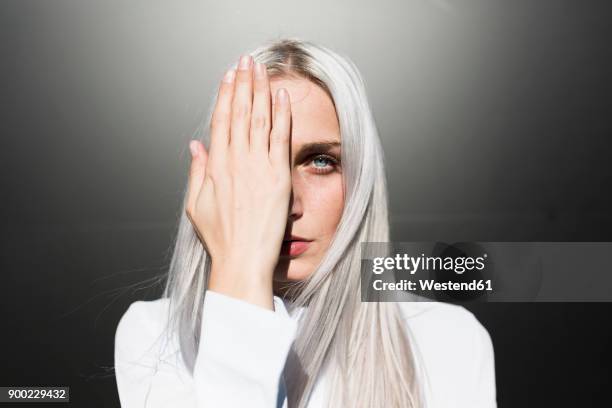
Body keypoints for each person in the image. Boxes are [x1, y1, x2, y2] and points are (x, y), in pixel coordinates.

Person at [114, 38, 497, 408]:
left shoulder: (447, 340)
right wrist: (239, 267)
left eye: (320, 161)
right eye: (262, 161)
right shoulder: (154, 335)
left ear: (362, 178)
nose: (287, 203)